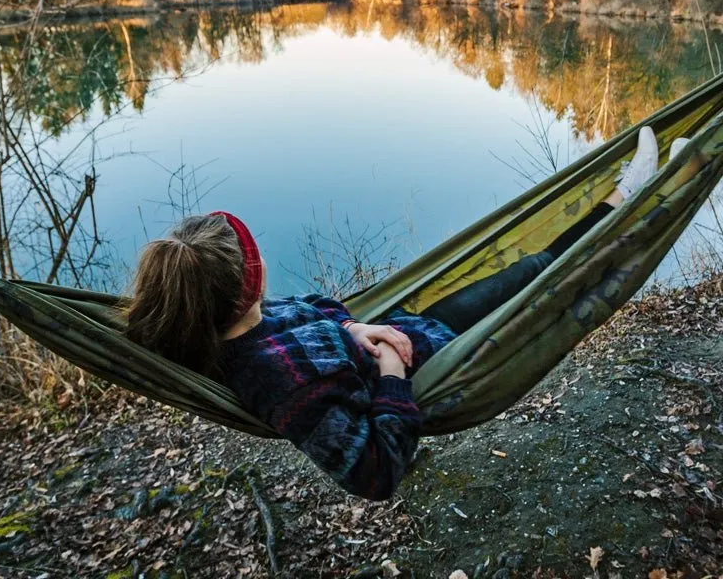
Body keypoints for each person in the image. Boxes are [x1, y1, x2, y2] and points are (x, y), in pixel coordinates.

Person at [126, 127, 688, 501]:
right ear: (251, 281)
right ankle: (652, 195)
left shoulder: (242, 322)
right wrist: (393, 369)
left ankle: (628, 197)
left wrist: (352, 327)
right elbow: (375, 472)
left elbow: (322, 312)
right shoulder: (278, 381)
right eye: (256, 254)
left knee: (535, 265)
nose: (264, 257)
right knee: (549, 282)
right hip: (437, 361)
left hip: (408, 329)